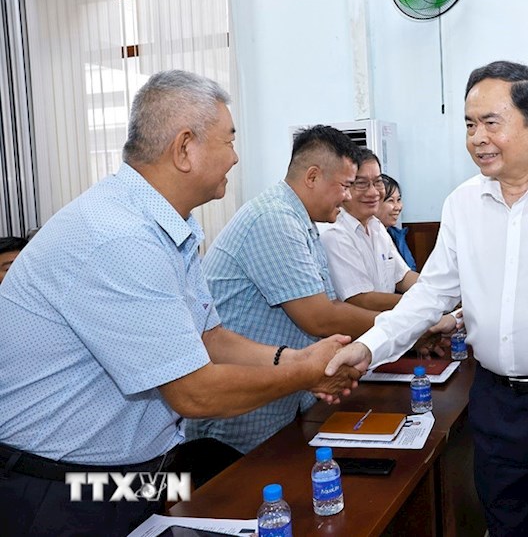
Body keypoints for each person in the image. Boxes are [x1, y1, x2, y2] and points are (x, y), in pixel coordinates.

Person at [0, 71, 360, 536]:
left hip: (133, 474)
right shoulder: (120, 236)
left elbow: (210, 338)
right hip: (59, 487)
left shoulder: (168, 227)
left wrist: (296, 359)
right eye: (229, 140)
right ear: (185, 147)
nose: (235, 157)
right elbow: (194, 392)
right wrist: (306, 372)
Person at [325, 61, 528, 536]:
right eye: (469, 125)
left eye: (491, 122)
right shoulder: (463, 203)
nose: (478, 138)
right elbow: (431, 293)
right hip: (498, 404)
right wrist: (368, 346)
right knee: (505, 525)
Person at [186, 128, 448, 468]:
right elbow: (321, 317)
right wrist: (411, 325)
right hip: (244, 417)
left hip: (285, 399)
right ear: (312, 177)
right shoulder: (274, 219)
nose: (347, 196)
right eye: (345, 186)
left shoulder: (302, 222)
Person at [321, 150, 417, 310]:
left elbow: (403, 277)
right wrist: (423, 302)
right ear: (344, 187)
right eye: (361, 183)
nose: (373, 192)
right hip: (364, 324)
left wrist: (440, 292)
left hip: (387, 320)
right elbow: (361, 299)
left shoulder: (376, 226)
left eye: (378, 182)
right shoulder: (334, 234)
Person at [378, 173, 418, 271]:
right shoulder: (370, 238)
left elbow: (410, 270)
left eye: (399, 200)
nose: (398, 207)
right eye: (390, 201)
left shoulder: (397, 235)